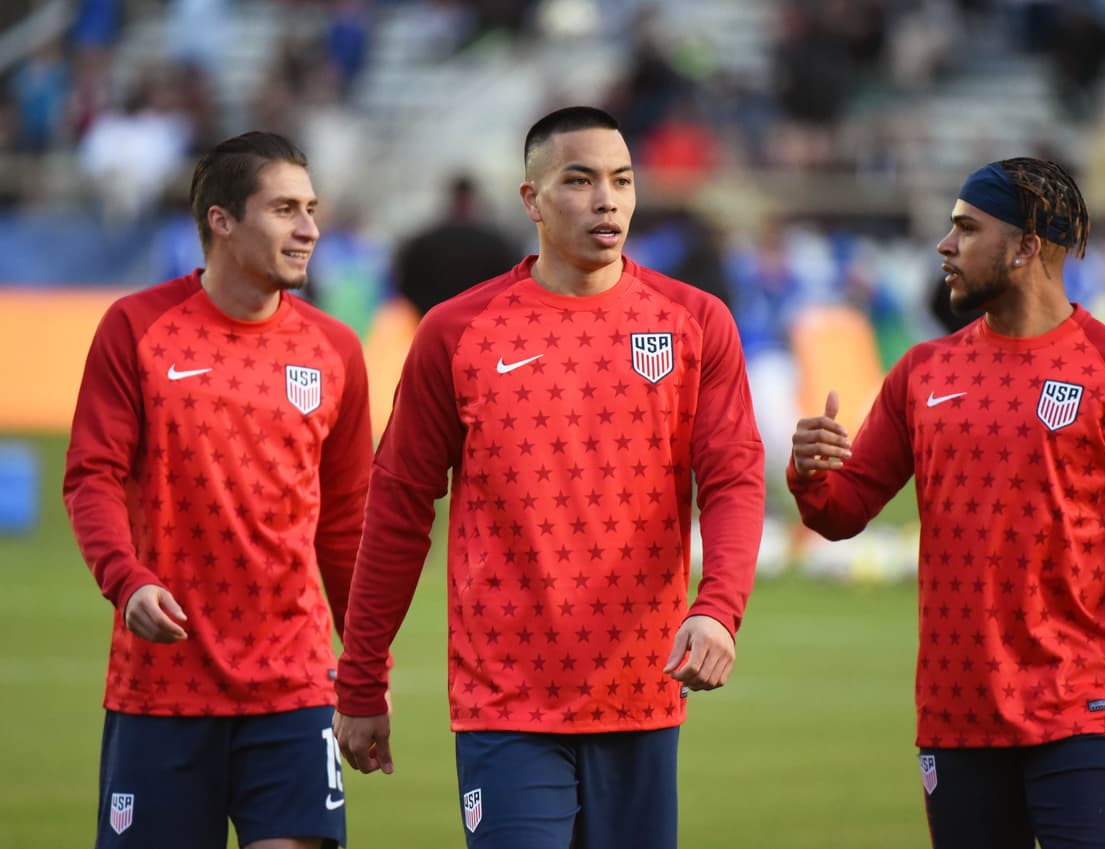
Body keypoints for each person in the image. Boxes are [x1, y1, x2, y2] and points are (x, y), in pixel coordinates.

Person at [788, 157, 1105, 849]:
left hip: (1079, 714)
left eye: (966, 228)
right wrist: (811, 473)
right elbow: (842, 511)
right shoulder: (922, 373)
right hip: (955, 720)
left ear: (1025, 246)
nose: (945, 245)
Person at [333, 105, 766, 849]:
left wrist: (719, 607)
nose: (607, 200)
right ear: (531, 200)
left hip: (642, 690)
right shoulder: (458, 333)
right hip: (505, 699)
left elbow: (734, 478)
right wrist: (361, 674)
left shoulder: (695, 323)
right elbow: (399, 508)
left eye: (622, 181)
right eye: (580, 180)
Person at [64, 130, 373, 849]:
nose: (309, 229)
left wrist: (366, 669)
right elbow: (91, 474)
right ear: (222, 221)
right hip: (161, 684)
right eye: (285, 209)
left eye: (312, 209)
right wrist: (126, 579)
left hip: (295, 685)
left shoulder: (336, 350)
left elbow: (346, 524)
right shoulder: (136, 329)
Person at [392, 173, 523, 319]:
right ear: (473, 200)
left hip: (436, 319)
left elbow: (406, 285)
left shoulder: (424, 243)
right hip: (481, 321)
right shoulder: (496, 243)